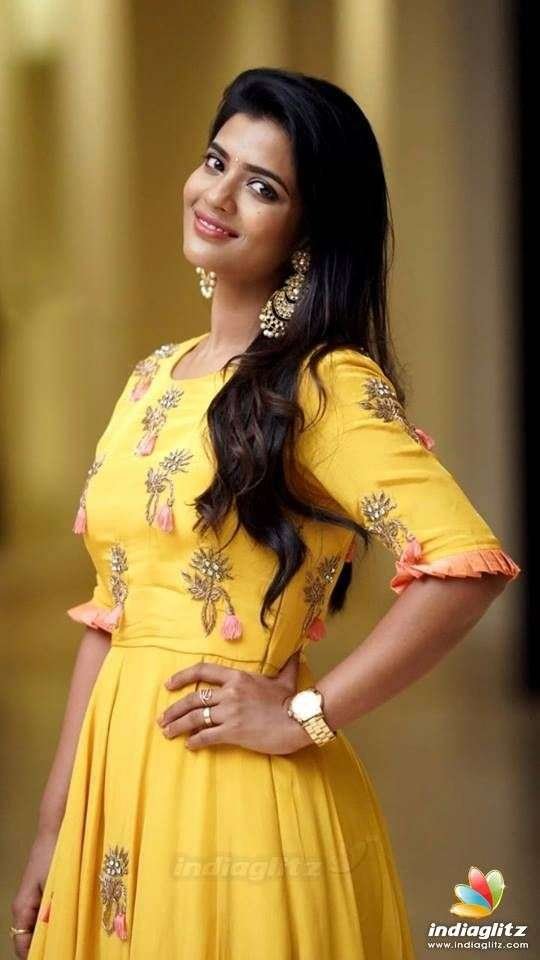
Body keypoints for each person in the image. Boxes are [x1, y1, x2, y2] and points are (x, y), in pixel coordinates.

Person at [11, 67, 521, 960]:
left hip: (238, 800)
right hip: (114, 796)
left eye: (262, 187)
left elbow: (466, 565)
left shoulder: (321, 386)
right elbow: (110, 617)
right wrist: (56, 824)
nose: (217, 196)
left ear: (307, 233)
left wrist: (303, 715)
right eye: (217, 162)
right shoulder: (152, 378)